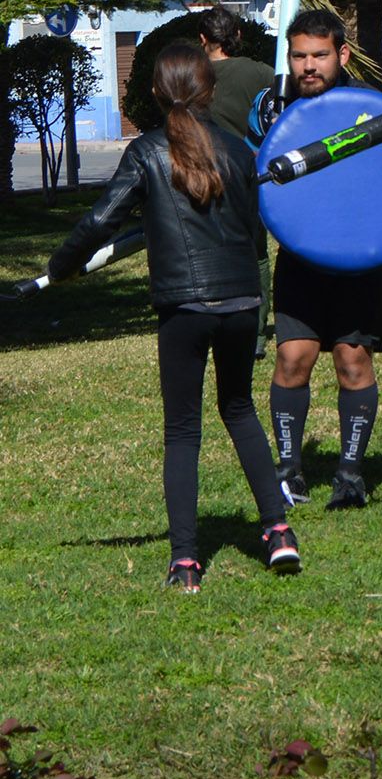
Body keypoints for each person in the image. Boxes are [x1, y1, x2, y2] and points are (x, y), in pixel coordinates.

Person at [43, 42, 300, 591]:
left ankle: (185, 563)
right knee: (240, 411)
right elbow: (254, 234)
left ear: (157, 94)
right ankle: (279, 531)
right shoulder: (238, 150)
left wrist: (61, 267)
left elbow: (100, 220)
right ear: (210, 89)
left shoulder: (146, 152)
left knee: (183, 431)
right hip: (240, 305)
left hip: (184, 307)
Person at [263, 8, 382, 509]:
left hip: (360, 260)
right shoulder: (276, 111)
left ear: (343, 54)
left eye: (319, 55)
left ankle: (351, 475)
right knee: (293, 357)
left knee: (352, 363)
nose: (308, 66)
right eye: (299, 56)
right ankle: (289, 471)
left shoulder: (371, 109)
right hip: (301, 255)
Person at [198, 6, 274, 142]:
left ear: (203, 38)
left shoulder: (189, 74)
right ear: (238, 35)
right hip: (248, 156)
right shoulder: (260, 71)